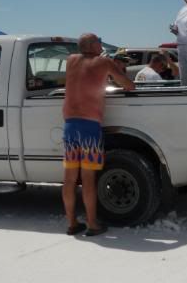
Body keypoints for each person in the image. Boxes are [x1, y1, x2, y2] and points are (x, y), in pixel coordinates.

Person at [62, 33, 135, 236]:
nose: (101, 45)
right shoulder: (104, 62)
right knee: (88, 178)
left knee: (69, 178)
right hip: (89, 127)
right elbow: (129, 85)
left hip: (70, 125)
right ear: (93, 45)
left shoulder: (71, 60)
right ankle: (92, 224)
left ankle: (72, 223)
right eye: (99, 41)